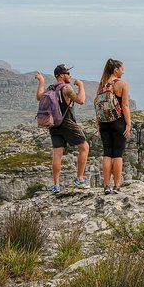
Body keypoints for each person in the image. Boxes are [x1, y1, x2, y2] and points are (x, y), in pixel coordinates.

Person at [35, 64, 90, 193]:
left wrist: (41, 81)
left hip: (53, 124)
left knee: (57, 154)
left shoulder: (50, 88)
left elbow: (39, 97)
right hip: (66, 122)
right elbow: (81, 100)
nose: (70, 76)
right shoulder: (66, 88)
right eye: (67, 74)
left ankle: (56, 185)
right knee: (84, 147)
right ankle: (79, 179)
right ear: (61, 75)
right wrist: (81, 86)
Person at [94, 58, 131, 195]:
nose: (123, 71)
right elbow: (125, 105)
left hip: (104, 123)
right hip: (118, 122)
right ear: (116, 69)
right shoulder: (122, 84)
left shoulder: (102, 84)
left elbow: (97, 103)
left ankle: (106, 186)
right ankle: (116, 186)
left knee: (107, 153)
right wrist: (128, 123)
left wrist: (98, 122)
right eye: (122, 68)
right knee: (118, 155)